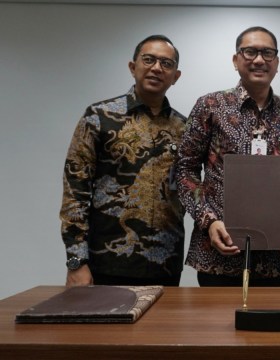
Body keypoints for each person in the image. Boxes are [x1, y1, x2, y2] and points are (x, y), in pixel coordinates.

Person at [176, 26, 280, 287]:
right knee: (216, 328)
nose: (259, 60)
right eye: (250, 52)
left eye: (267, 53)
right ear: (236, 60)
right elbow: (185, 170)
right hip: (218, 252)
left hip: (276, 256)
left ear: (277, 62)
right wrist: (208, 220)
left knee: (271, 327)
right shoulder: (211, 106)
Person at [60, 35, 186, 287]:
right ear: (133, 67)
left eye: (166, 63)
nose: (156, 68)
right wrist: (76, 261)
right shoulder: (99, 117)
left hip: (165, 263)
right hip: (106, 261)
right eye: (148, 60)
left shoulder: (183, 128)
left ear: (176, 76)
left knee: (164, 328)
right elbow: (76, 191)